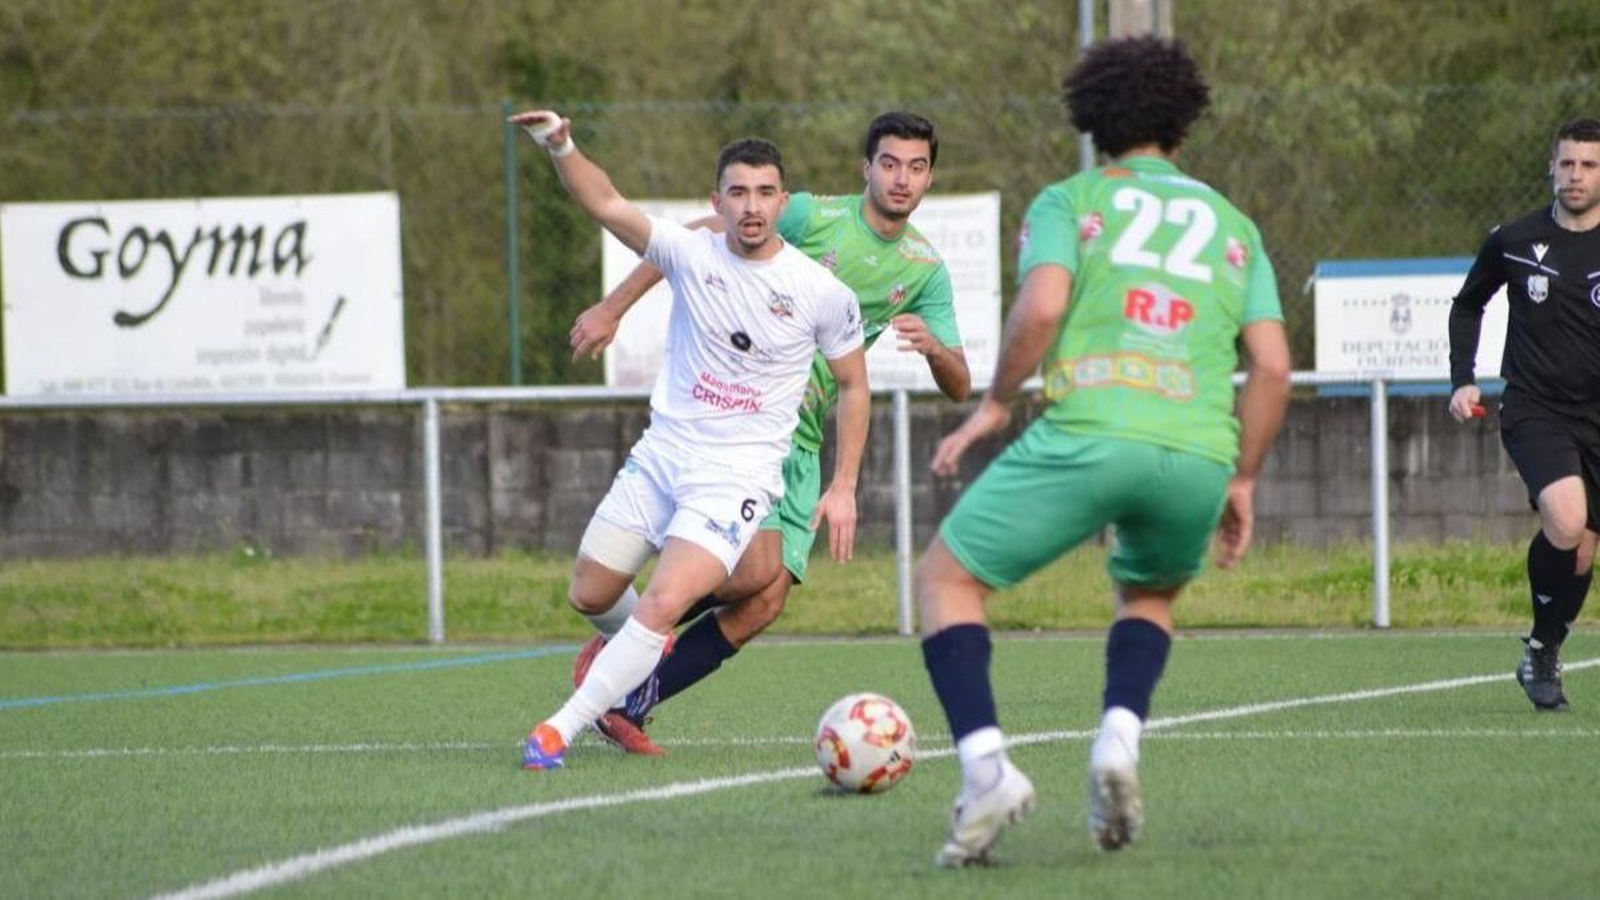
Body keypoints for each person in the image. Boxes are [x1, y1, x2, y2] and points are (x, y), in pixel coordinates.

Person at [913, 36, 1291, 867]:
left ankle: (986, 774)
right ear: (1184, 123)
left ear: (1092, 120)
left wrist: (999, 401)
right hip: (1196, 448)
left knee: (946, 579)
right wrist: (1244, 478)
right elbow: (1271, 366)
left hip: (1092, 429)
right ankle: (1117, 743)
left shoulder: (1071, 199)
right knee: (1149, 594)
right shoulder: (1233, 223)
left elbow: (1043, 308)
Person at [565, 111, 971, 755]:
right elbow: (694, 238)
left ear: (930, 178)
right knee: (746, 573)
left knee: (765, 597)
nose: (901, 178)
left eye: (916, 167)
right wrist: (614, 307)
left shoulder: (925, 269)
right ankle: (635, 642)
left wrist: (933, 352)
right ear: (867, 168)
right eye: (889, 163)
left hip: (804, 441)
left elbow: (960, 383)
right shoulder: (810, 215)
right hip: (747, 425)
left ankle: (631, 695)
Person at [506, 109, 869, 770]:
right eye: (738, 192)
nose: (751, 206)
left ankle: (558, 729)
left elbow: (854, 385)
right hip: (660, 458)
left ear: (782, 202)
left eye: (764, 193)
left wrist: (843, 486)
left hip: (736, 478)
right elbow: (604, 201)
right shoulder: (688, 251)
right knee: (590, 593)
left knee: (667, 602)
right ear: (717, 202)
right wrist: (558, 144)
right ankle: (637, 652)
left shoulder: (821, 293)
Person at [1448, 117, 1600, 712]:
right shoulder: (1513, 239)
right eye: (1567, 164)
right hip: (1535, 407)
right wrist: (1463, 378)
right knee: (1566, 520)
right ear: (1551, 168)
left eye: (1588, 165)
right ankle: (1542, 650)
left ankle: (1543, 648)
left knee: (1583, 547)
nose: (1576, 176)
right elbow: (1468, 305)